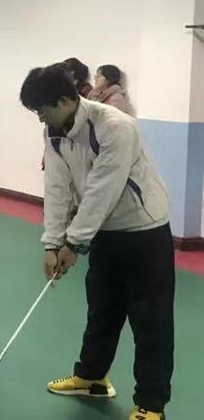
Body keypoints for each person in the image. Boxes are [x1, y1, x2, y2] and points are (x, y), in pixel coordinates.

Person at [20, 65, 173, 420]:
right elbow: (56, 187)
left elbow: (103, 189)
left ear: (65, 100)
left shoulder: (115, 126)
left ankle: (151, 404)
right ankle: (92, 378)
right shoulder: (53, 131)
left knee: (150, 320)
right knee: (102, 309)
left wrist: (74, 244)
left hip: (143, 231)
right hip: (104, 231)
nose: (39, 117)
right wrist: (51, 243)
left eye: (41, 109)